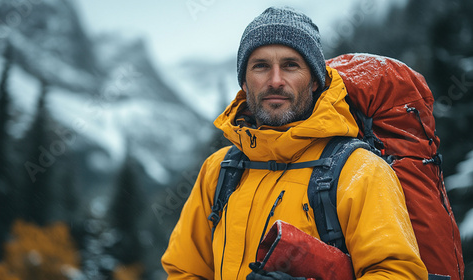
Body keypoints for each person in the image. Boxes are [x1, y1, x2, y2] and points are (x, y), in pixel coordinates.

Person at [161, 6, 428, 280]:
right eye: (261, 66)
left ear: (314, 81)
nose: (275, 81)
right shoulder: (219, 171)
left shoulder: (360, 172)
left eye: (291, 65)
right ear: (244, 82)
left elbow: (398, 273)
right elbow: (184, 271)